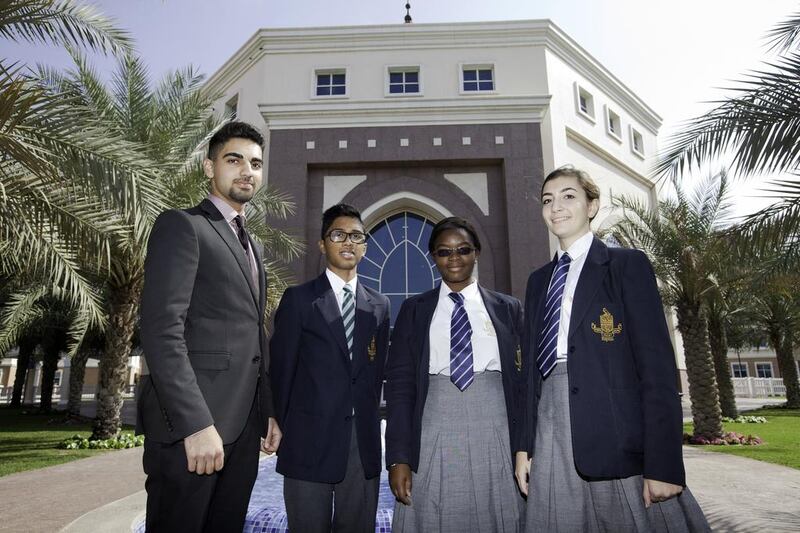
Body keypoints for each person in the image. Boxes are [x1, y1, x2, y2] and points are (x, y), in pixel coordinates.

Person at [515, 166, 709, 532]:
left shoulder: (626, 266)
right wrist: (524, 446)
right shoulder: (538, 281)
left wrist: (663, 465)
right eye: (547, 200)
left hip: (616, 436)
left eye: (568, 196)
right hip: (550, 432)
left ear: (592, 205)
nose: (556, 206)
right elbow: (529, 378)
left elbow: (657, 370)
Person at [138, 121, 282, 532]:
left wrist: (267, 411)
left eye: (255, 163)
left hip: (242, 430)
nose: (247, 171)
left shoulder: (250, 244)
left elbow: (255, 336)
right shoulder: (183, 226)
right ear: (208, 167)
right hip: (193, 430)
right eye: (233, 159)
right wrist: (196, 425)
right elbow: (162, 330)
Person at [385, 216, 526, 532]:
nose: (454, 259)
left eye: (463, 250)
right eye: (444, 252)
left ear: (476, 252)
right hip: (435, 424)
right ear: (433, 256)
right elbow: (400, 388)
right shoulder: (414, 310)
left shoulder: (508, 308)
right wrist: (398, 458)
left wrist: (525, 445)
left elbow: (524, 385)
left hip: (496, 427)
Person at [269, 203, 391, 533]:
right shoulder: (299, 300)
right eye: (338, 235)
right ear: (323, 244)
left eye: (356, 236)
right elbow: (280, 370)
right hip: (308, 442)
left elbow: (376, 371)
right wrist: (272, 419)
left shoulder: (379, 305)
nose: (348, 242)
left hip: (361, 447)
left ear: (365, 246)